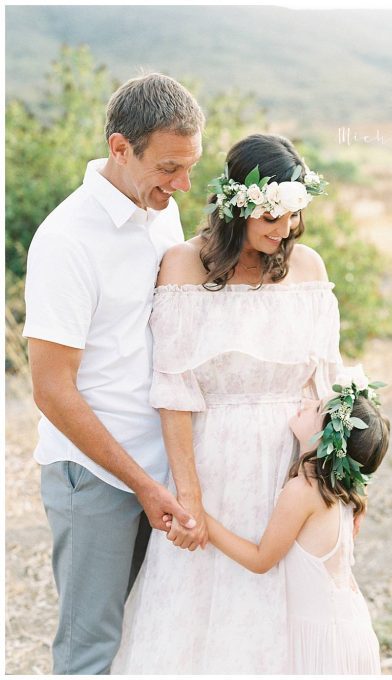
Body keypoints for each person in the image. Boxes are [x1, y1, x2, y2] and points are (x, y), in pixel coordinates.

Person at [111, 133, 339, 673]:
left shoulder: (308, 268)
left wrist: (336, 483)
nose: (282, 229)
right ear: (236, 207)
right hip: (214, 465)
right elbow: (173, 393)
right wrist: (187, 495)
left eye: (291, 215)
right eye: (268, 215)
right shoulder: (183, 265)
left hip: (291, 469)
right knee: (197, 614)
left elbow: (326, 388)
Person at [22, 73, 204, 674]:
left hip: (161, 467)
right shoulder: (66, 241)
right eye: (169, 168)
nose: (181, 186)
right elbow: (51, 390)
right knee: (89, 651)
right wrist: (144, 486)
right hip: (94, 477)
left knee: (152, 639)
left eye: (189, 167)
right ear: (120, 148)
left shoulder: (161, 214)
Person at [202, 373, 389, 674]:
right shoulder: (340, 488)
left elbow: (261, 559)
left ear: (327, 440)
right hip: (348, 628)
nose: (306, 401)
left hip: (325, 642)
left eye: (316, 409)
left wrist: (201, 519)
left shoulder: (304, 490)